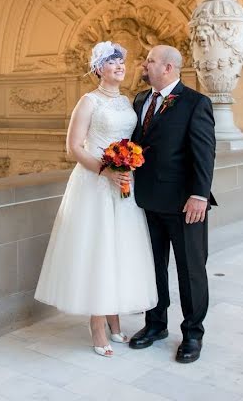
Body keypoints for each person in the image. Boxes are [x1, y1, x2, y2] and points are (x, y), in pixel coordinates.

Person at [34, 41, 157, 357]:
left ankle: (115, 317)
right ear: (99, 68)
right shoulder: (88, 102)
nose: (120, 66)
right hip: (95, 184)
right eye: (112, 62)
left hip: (123, 185)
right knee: (99, 249)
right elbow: (74, 147)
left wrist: (127, 166)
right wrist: (106, 171)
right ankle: (98, 325)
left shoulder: (128, 102)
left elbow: (131, 141)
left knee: (119, 249)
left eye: (122, 62)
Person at [128, 45, 217, 364]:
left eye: (149, 61)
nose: (144, 65)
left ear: (167, 68)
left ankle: (193, 333)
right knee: (152, 268)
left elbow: (205, 153)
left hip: (185, 204)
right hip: (146, 200)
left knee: (190, 270)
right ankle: (155, 324)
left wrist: (199, 195)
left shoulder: (196, 103)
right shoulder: (140, 100)